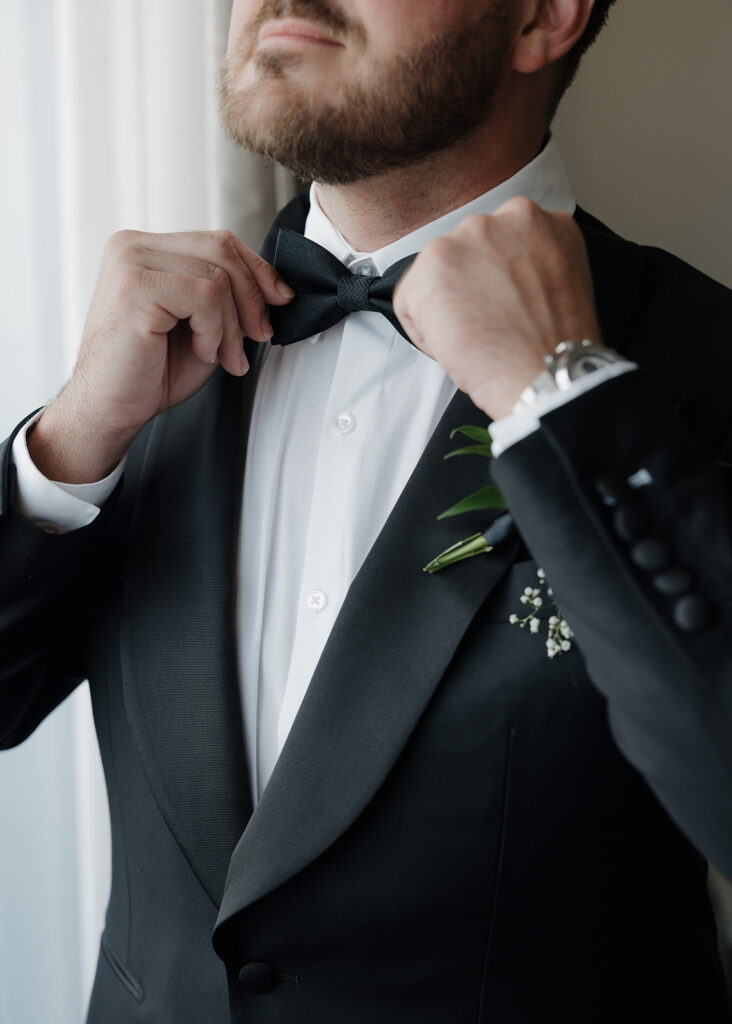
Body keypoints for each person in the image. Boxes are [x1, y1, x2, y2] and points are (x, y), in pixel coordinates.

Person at [1, 0, 731, 1021]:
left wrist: (563, 398)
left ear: (541, 18)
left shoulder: (704, 364)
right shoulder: (153, 351)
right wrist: (68, 445)